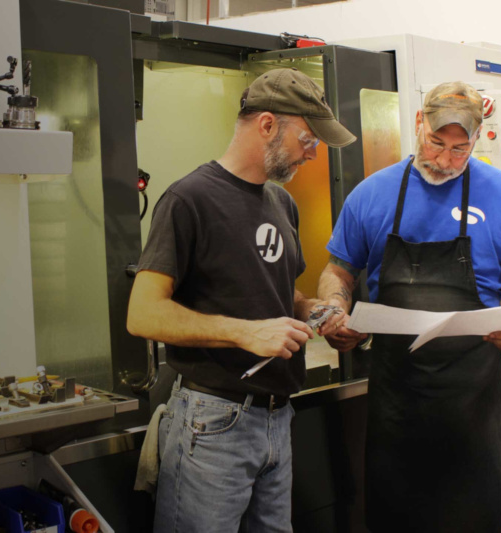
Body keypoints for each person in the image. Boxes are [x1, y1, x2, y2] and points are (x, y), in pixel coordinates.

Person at [317, 81, 501, 532]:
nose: (445, 160)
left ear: (478, 140)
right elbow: (338, 271)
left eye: (459, 149)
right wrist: (333, 307)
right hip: (395, 405)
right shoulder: (372, 194)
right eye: (436, 143)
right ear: (417, 124)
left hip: (471, 406)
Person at [126, 68, 356, 532]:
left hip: (277, 417)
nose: (312, 155)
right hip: (213, 423)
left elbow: (278, 295)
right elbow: (143, 313)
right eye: (308, 140)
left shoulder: (280, 203)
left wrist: (319, 313)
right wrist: (246, 332)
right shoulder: (189, 199)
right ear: (267, 125)